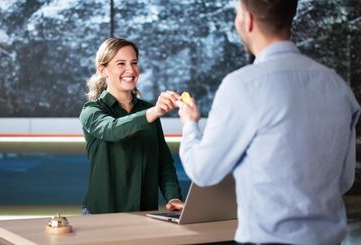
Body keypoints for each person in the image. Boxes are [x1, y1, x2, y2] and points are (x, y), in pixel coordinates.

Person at [177, 0, 360, 244]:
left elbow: (203, 171)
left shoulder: (243, 85)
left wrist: (190, 125)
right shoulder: (337, 86)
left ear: (248, 19)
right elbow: (344, 180)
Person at [80, 37, 183, 214]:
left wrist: (173, 197)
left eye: (134, 62)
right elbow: (112, 129)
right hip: (102, 215)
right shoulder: (92, 111)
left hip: (145, 213)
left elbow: (163, 162)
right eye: (121, 63)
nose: (130, 69)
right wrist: (153, 112)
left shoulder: (148, 110)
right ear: (102, 69)